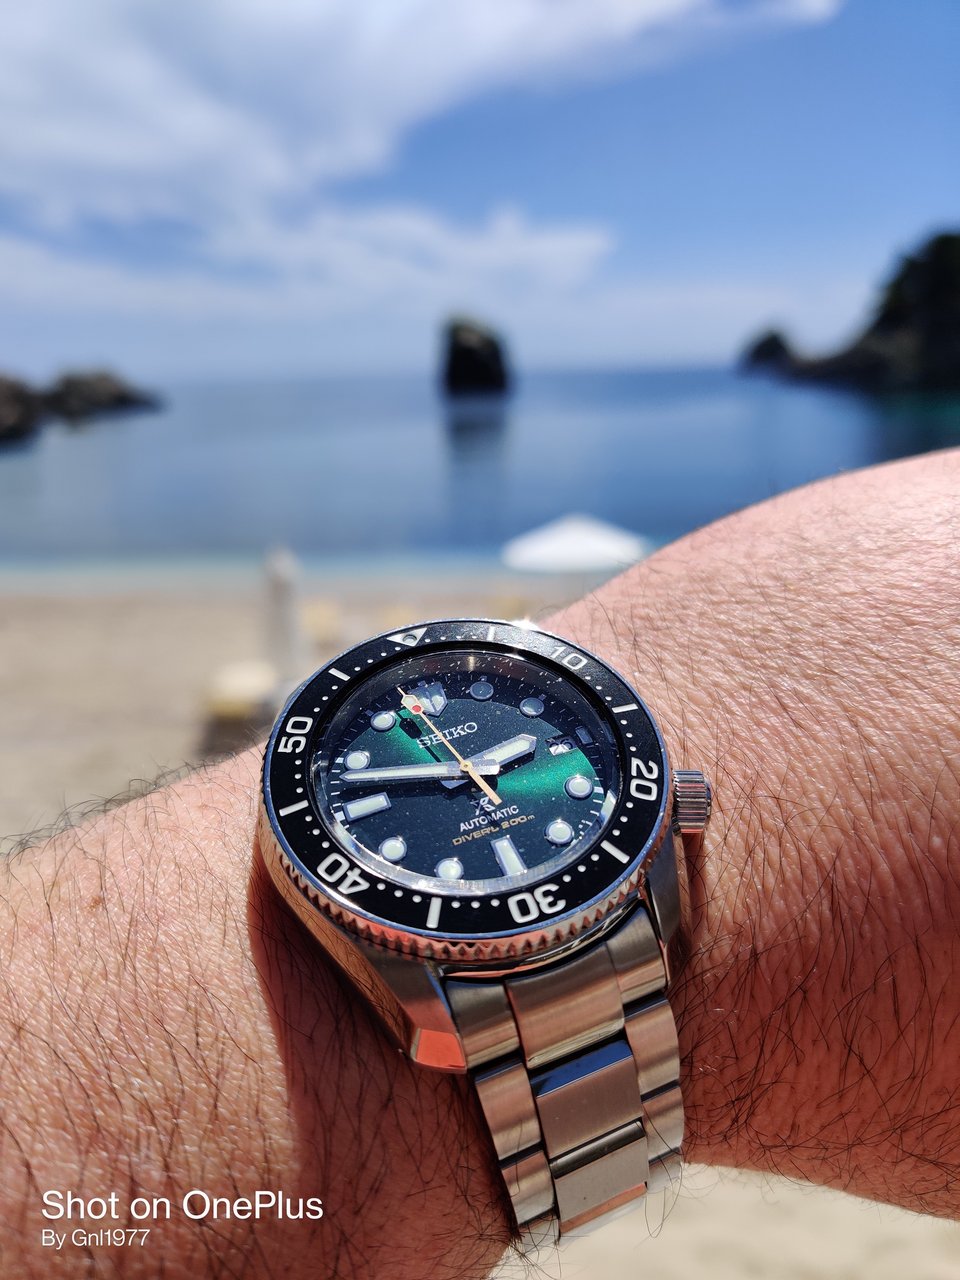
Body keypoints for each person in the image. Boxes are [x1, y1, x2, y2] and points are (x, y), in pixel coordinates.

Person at [1, 449, 958, 1279]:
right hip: (446, 966)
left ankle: (585, 1171)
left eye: (494, 763)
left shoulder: (639, 854)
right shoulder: (421, 998)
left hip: (601, 912)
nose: (478, 779)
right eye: (470, 771)